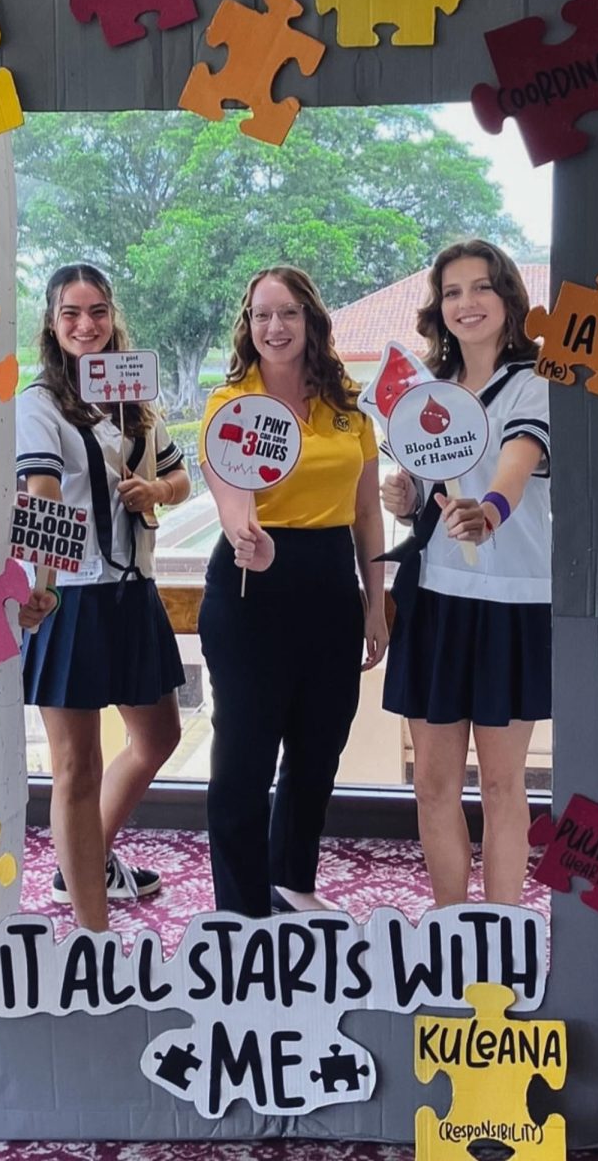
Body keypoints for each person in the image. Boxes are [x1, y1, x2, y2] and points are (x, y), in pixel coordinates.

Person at [198, 265, 388, 918]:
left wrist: (376, 600)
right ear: (247, 328)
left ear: (311, 320)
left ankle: (290, 879)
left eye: (287, 314)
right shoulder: (230, 405)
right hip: (253, 584)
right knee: (244, 759)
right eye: (261, 315)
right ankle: (242, 910)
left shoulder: (347, 407)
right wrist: (250, 535)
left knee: (318, 748)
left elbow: (368, 514)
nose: (274, 327)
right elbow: (230, 494)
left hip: (334, 582)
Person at [16, 263, 191, 932]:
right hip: (75, 595)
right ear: (53, 325)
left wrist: (155, 492)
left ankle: (87, 862)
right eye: (71, 314)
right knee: (74, 766)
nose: (86, 326)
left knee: (159, 734)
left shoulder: (136, 400)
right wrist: (41, 584)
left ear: (114, 316)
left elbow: (178, 479)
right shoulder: (38, 405)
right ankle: (92, 929)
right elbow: (42, 494)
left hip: (131, 591)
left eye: (97, 312)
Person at [380, 239, 550, 908]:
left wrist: (491, 512)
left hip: (512, 602)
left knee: (505, 785)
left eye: (481, 288)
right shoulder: (434, 396)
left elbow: (517, 458)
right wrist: (407, 499)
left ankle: (503, 930)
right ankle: (452, 929)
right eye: (452, 292)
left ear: (508, 299)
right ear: (438, 308)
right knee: (433, 784)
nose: (466, 303)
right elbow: (433, 493)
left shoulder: (537, 382)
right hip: (436, 601)